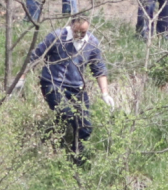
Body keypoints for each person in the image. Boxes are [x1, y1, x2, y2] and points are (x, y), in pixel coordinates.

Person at [18, 15, 114, 160]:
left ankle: (75, 159)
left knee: (85, 127)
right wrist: (22, 77)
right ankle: (53, 141)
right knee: (68, 114)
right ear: (71, 26)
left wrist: (105, 93)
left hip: (77, 88)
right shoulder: (57, 37)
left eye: (83, 32)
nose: (79, 35)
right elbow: (35, 56)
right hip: (53, 83)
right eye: (76, 31)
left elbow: (99, 69)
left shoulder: (92, 43)